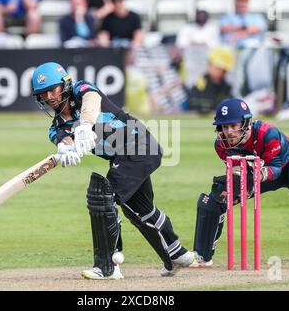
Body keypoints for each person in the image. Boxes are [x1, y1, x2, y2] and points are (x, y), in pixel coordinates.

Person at [30, 62, 195, 279]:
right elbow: (63, 140)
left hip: (140, 146)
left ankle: (108, 266)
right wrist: (65, 149)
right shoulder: (56, 128)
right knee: (140, 210)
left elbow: (92, 100)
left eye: (53, 89)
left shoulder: (81, 90)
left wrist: (85, 126)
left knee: (102, 196)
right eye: (44, 93)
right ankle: (176, 255)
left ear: (65, 85)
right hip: (122, 158)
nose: (50, 96)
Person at [190, 97, 289, 268]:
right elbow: (238, 172)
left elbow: (276, 168)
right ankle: (203, 255)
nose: (230, 132)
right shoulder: (221, 146)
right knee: (214, 199)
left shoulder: (267, 133)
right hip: (257, 173)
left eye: (234, 125)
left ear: (246, 123)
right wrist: (237, 178)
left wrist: (257, 173)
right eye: (225, 127)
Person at [188, 46, 234, 113]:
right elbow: (194, 108)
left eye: (223, 70)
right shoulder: (199, 86)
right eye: (217, 68)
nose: (220, 71)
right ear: (209, 65)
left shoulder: (227, 88)